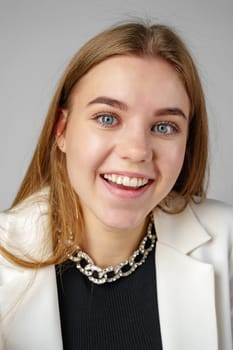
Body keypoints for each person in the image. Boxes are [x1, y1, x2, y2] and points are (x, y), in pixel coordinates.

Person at [0, 20, 232, 350]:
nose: (137, 151)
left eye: (165, 127)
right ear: (61, 130)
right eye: (107, 118)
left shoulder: (229, 244)